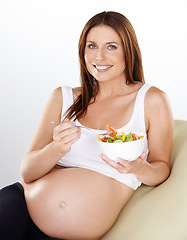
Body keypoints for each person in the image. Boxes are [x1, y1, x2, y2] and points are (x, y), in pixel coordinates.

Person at [0, 11, 173, 240]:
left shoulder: (151, 100)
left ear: (128, 50)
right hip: (17, 205)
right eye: (92, 46)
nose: (99, 57)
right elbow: (27, 171)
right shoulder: (63, 97)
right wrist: (56, 149)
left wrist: (139, 169)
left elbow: (161, 168)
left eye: (111, 46)